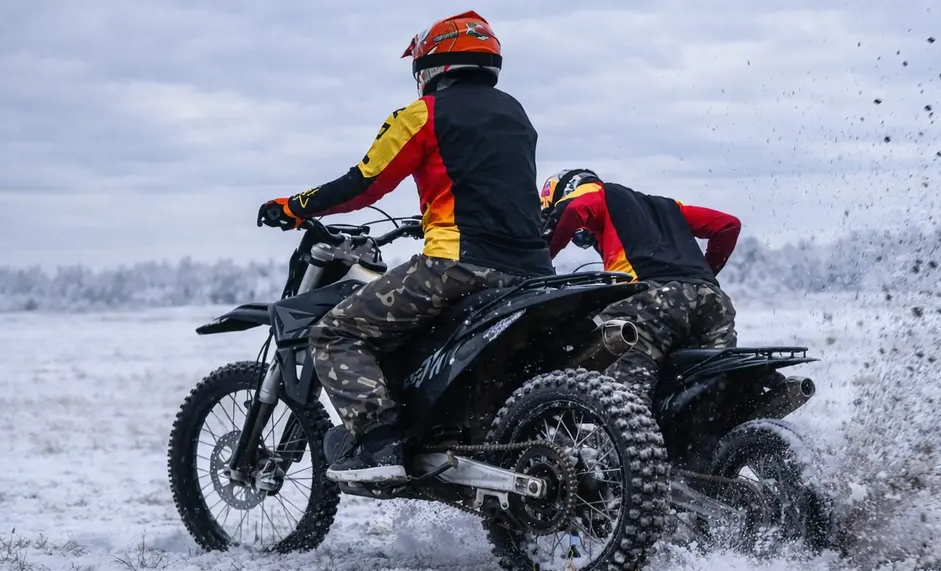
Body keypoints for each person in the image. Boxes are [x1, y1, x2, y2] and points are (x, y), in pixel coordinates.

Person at [256, 11, 554, 484]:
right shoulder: (514, 113)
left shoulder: (423, 114)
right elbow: (485, 185)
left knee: (334, 332)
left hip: (458, 266)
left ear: (431, 66)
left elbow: (364, 183)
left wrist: (292, 207)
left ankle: (378, 443)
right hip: (533, 271)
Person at [539, 169, 741, 403]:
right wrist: (703, 274)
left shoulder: (596, 193)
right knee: (717, 393)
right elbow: (728, 225)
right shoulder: (669, 207)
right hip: (712, 300)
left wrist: (540, 260)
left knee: (623, 398)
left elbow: (572, 210)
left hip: (649, 300)